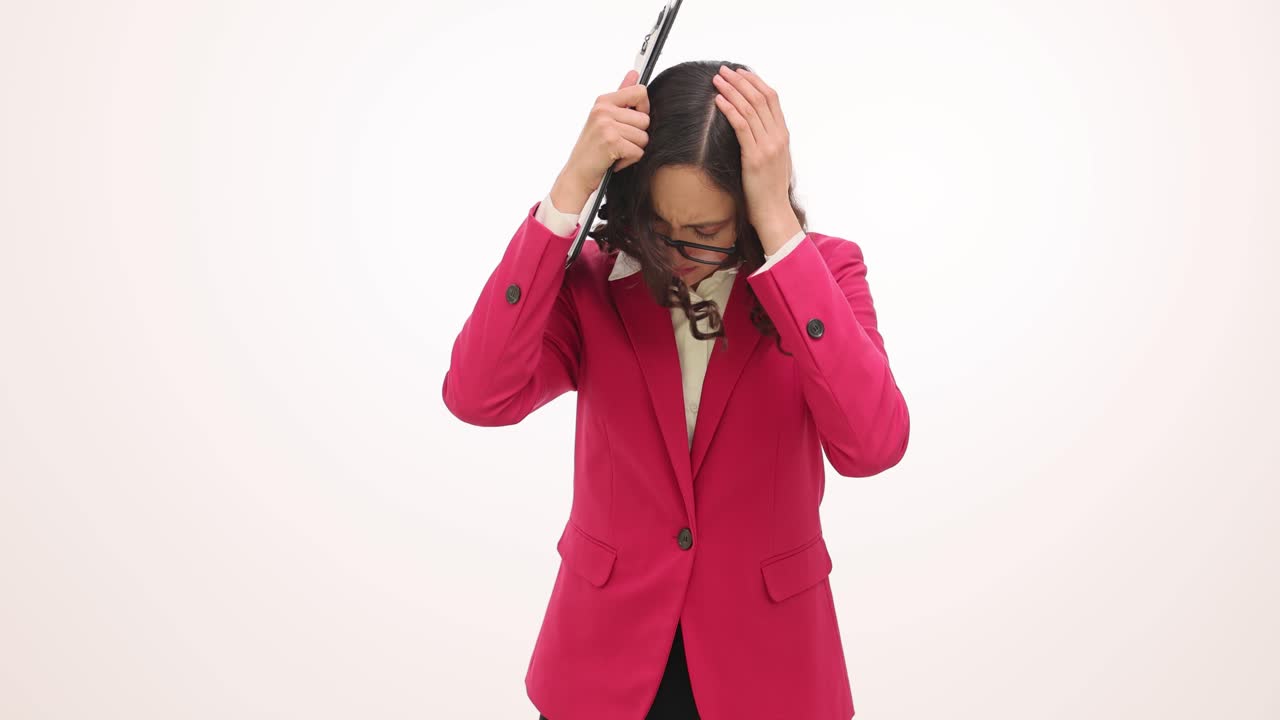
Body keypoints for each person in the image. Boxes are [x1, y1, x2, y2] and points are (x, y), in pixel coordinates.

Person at [442, 59, 910, 720]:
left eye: (707, 234)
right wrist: (569, 190)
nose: (681, 256)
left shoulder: (823, 273)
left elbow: (874, 444)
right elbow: (477, 394)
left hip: (768, 668)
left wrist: (778, 226)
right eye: (662, 229)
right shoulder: (595, 283)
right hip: (603, 662)